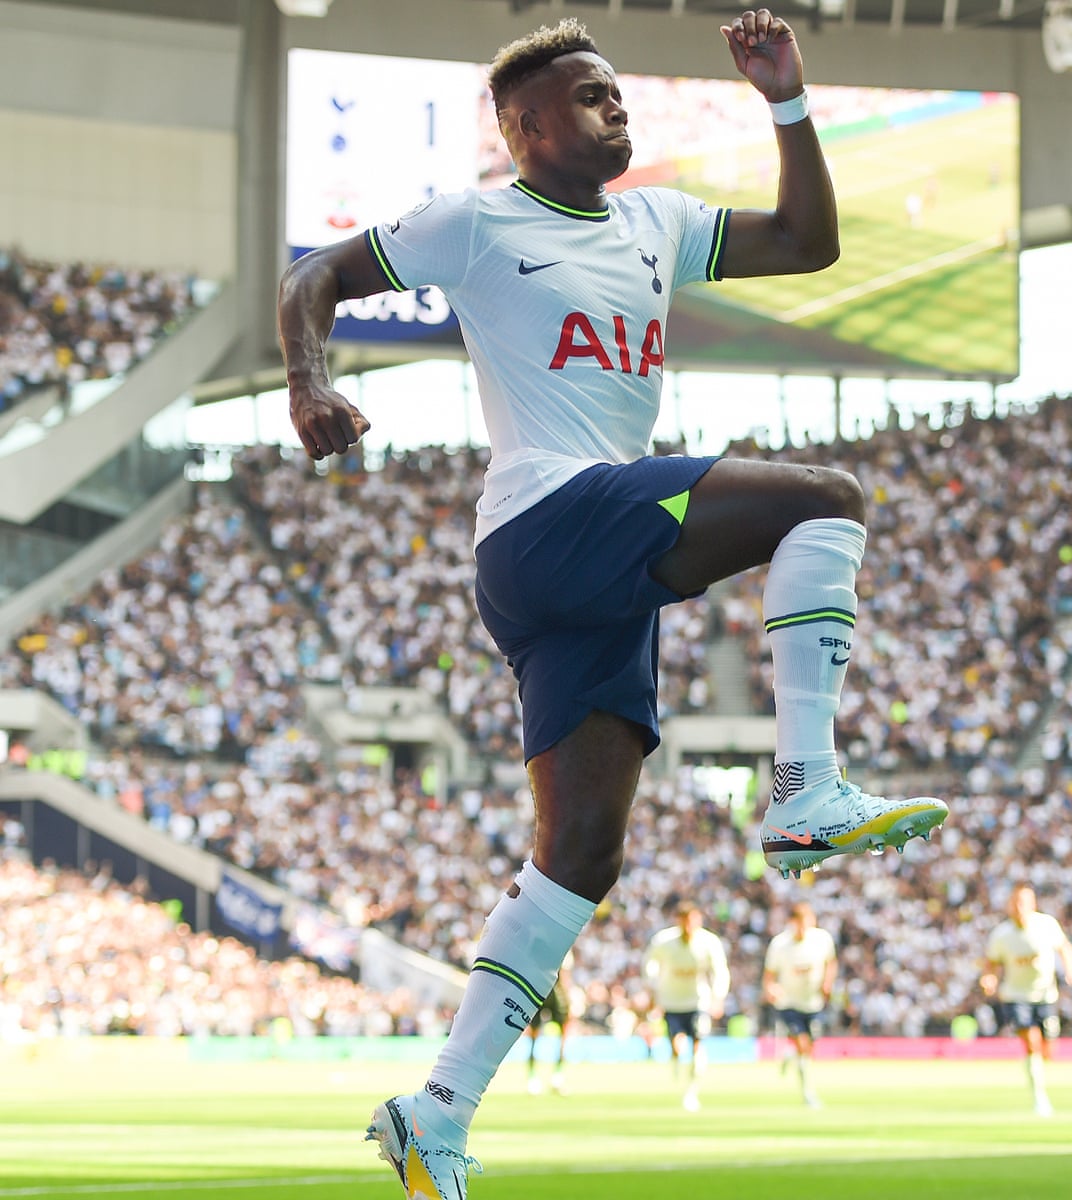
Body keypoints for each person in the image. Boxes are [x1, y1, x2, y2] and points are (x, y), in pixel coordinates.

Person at [278, 9, 948, 1196]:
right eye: (588, 98)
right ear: (526, 130)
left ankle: (436, 1110)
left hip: (580, 571)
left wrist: (788, 102)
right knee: (823, 498)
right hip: (548, 519)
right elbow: (314, 277)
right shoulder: (478, 218)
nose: (615, 107)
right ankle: (804, 791)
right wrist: (309, 380)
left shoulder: (656, 221)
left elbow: (807, 240)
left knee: (581, 856)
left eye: (616, 92)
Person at [980, 883, 1072, 1117]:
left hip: (1045, 994)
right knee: (1030, 1041)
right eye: (1015, 903)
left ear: (1032, 904)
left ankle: (1037, 1071)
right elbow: (992, 962)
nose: (1019, 908)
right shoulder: (1001, 934)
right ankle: (1039, 1096)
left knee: (1048, 1048)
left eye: (1023, 903)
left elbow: (1065, 948)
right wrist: (989, 979)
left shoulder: (1046, 925)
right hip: (1016, 995)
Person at [642, 902, 731, 1112]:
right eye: (685, 921)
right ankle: (676, 1061)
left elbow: (720, 971)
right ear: (678, 921)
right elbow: (649, 964)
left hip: (698, 1001)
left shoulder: (709, 941)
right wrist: (652, 987)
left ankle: (692, 1091)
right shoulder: (664, 941)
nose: (689, 926)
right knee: (677, 1044)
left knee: (698, 1044)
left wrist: (718, 997)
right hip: (671, 1001)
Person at [762, 901, 836, 1107]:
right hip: (789, 1002)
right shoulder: (779, 944)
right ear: (791, 923)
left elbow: (831, 962)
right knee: (803, 1044)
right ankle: (808, 1093)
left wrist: (827, 983)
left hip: (813, 1002)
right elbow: (769, 974)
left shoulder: (822, 939)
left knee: (808, 1046)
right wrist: (771, 989)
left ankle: (790, 1054)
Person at [525, 952, 573, 1095]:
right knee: (533, 1036)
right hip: (540, 987)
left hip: (555, 989)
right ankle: (533, 1077)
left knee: (563, 1033)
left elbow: (565, 974)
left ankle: (557, 1077)